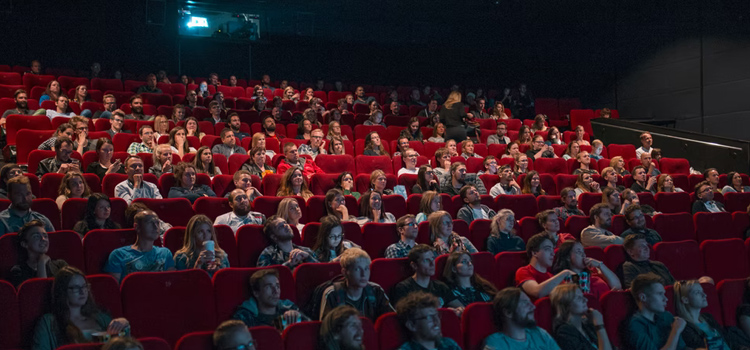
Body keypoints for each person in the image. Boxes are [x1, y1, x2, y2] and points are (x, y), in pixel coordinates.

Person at [32, 266, 131, 350]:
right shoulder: (48, 322)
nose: (82, 291)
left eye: (84, 287)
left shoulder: (101, 317)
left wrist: (124, 325)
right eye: (76, 288)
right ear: (63, 292)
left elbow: (123, 345)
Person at [319, 248, 393, 321]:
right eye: (357, 269)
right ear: (344, 272)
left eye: (366, 268)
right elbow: (327, 329)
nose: (363, 274)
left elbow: (390, 320)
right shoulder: (332, 294)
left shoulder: (376, 290)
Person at [674, 279, 750, 350]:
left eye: (702, 291)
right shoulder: (685, 326)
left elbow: (728, 341)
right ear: (685, 300)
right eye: (697, 292)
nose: (704, 295)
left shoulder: (708, 317)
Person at [105, 209, 175, 282]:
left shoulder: (165, 253)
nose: (155, 226)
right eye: (149, 222)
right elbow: (114, 289)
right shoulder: (118, 255)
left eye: (157, 223)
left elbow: (170, 284)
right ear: (137, 227)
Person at [482, 287, 561, 349]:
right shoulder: (496, 343)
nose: (533, 307)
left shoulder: (540, 334)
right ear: (508, 312)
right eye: (525, 303)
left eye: (530, 302)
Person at [624, 273, 687, 350]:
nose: (665, 299)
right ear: (643, 297)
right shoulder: (635, 325)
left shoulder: (666, 316)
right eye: (659, 294)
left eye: (664, 294)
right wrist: (675, 332)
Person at [232, 269, 308, 330]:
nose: (275, 291)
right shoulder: (245, 316)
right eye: (268, 287)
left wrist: (298, 316)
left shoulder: (288, 307)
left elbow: (310, 329)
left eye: (277, 286)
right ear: (256, 293)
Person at [391, 244, 462, 308]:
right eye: (426, 260)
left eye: (433, 259)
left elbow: (461, 308)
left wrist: (456, 311)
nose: (432, 264)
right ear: (414, 265)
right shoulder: (404, 288)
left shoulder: (440, 287)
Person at [549, 284, 612, 350]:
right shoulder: (564, 332)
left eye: (583, 296)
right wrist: (599, 325)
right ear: (566, 305)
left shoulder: (587, 325)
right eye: (579, 298)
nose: (586, 300)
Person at [551, 240, 621, 298]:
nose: (583, 255)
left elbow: (617, 286)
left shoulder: (594, 271)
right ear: (567, 257)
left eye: (583, 252)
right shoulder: (564, 279)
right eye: (579, 252)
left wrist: (600, 265)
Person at [516, 233, 574, 299]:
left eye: (553, 250)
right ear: (535, 252)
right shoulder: (524, 271)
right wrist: (565, 273)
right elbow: (537, 292)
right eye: (548, 249)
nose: (553, 253)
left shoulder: (551, 277)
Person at [9, 221, 68, 287]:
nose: (43, 239)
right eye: (36, 236)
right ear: (25, 244)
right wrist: (41, 263)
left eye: (45, 236)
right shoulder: (18, 271)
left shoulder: (60, 265)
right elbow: (40, 294)